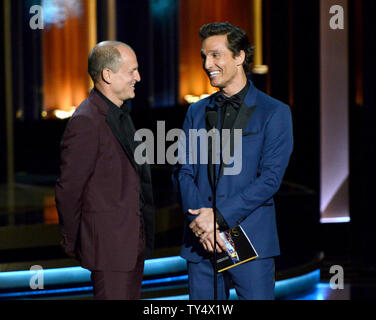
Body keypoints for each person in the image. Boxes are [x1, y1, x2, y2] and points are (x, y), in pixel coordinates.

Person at [173, 22, 293, 300]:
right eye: (204, 55)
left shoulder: (274, 112)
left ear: (239, 57)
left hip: (248, 238)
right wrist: (203, 224)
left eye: (215, 55)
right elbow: (183, 170)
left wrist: (218, 218)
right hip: (201, 242)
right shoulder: (196, 111)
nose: (207, 63)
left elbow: (270, 179)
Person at [55, 41, 155, 300]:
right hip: (110, 248)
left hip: (131, 243)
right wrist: (73, 239)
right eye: (132, 71)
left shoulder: (120, 114)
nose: (138, 77)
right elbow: (69, 189)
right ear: (107, 75)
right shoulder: (86, 121)